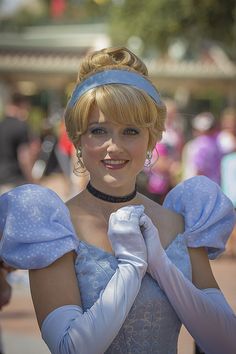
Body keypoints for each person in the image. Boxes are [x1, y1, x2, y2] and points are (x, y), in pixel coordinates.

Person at [0, 47, 235, 354]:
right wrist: (132, 267)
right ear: (79, 139)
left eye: (130, 131)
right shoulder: (54, 227)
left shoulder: (180, 221)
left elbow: (226, 343)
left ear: (150, 139)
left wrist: (162, 266)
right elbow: (71, 349)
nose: (114, 146)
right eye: (99, 130)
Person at [0, 92, 36, 195]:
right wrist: (31, 180)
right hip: (14, 182)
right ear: (21, 105)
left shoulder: (1, 125)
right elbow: (24, 157)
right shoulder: (20, 126)